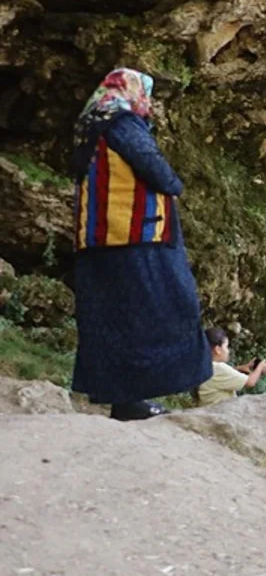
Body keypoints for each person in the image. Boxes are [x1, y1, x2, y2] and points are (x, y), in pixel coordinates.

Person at [69, 69, 211, 420]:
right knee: (160, 311)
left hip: (98, 238)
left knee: (114, 319)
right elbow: (152, 166)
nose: (146, 102)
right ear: (131, 92)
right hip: (135, 237)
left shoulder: (90, 124)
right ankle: (134, 399)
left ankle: (122, 399)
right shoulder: (122, 122)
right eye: (144, 94)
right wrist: (175, 185)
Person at [195, 327, 266, 407]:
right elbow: (250, 382)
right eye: (226, 347)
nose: (228, 351)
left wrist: (240, 368)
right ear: (218, 350)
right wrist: (261, 366)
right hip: (220, 414)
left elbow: (219, 378)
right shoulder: (219, 368)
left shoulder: (204, 365)